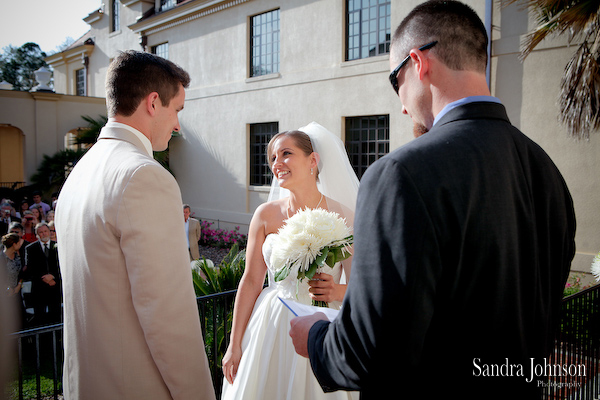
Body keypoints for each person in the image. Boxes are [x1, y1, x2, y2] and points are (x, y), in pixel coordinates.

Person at [289, 2, 577, 399]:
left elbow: (371, 352)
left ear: (418, 62)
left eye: (396, 83)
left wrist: (317, 338)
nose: (403, 105)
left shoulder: (401, 174)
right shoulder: (548, 172)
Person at [54, 50, 215, 400]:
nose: (177, 125)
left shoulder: (79, 173)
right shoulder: (144, 176)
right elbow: (169, 315)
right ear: (153, 103)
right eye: (178, 111)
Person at [221, 122, 360, 400]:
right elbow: (250, 281)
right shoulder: (264, 214)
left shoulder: (343, 214)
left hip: (321, 323)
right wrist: (234, 344)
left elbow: (361, 286)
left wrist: (335, 290)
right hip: (271, 323)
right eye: (273, 157)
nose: (277, 163)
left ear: (313, 160)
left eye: (286, 153)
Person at [24, 223, 60, 326]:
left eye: (45, 231)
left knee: (56, 315)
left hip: (55, 286)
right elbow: (30, 268)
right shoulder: (30, 248)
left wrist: (53, 276)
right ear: (37, 235)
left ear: (49, 232)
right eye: (41, 232)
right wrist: (44, 278)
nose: (43, 234)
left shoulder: (57, 245)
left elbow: (62, 265)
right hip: (39, 288)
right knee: (40, 318)